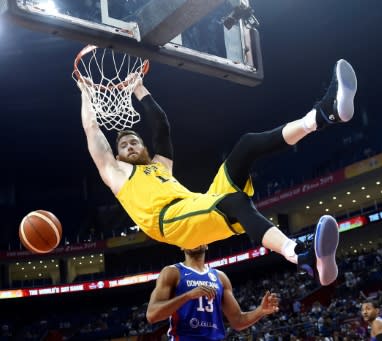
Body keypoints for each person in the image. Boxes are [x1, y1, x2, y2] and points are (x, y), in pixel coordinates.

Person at [78, 58, 358, 286]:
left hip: (198, 202)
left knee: (247, 144)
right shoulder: (116, 173)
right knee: (235, 202)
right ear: (117, 156)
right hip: (170, 222)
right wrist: (86, 94)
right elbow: (92, 130)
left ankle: (323, 114)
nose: (129, 146)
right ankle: (302, 255)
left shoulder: (159, 165)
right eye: (123, 145)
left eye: (134, 142)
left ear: (145, 149)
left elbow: (161, 125)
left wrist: (139, 89)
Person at [146, 244, 279, 340]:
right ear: (181, 245)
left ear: (207, 243)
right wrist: (187, 296)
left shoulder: (220, 277)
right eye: (189, 236)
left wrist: (260, 311)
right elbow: (152, 315)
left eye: (198, 235)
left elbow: (238, 321)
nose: (193, 239)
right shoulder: (172, 272)